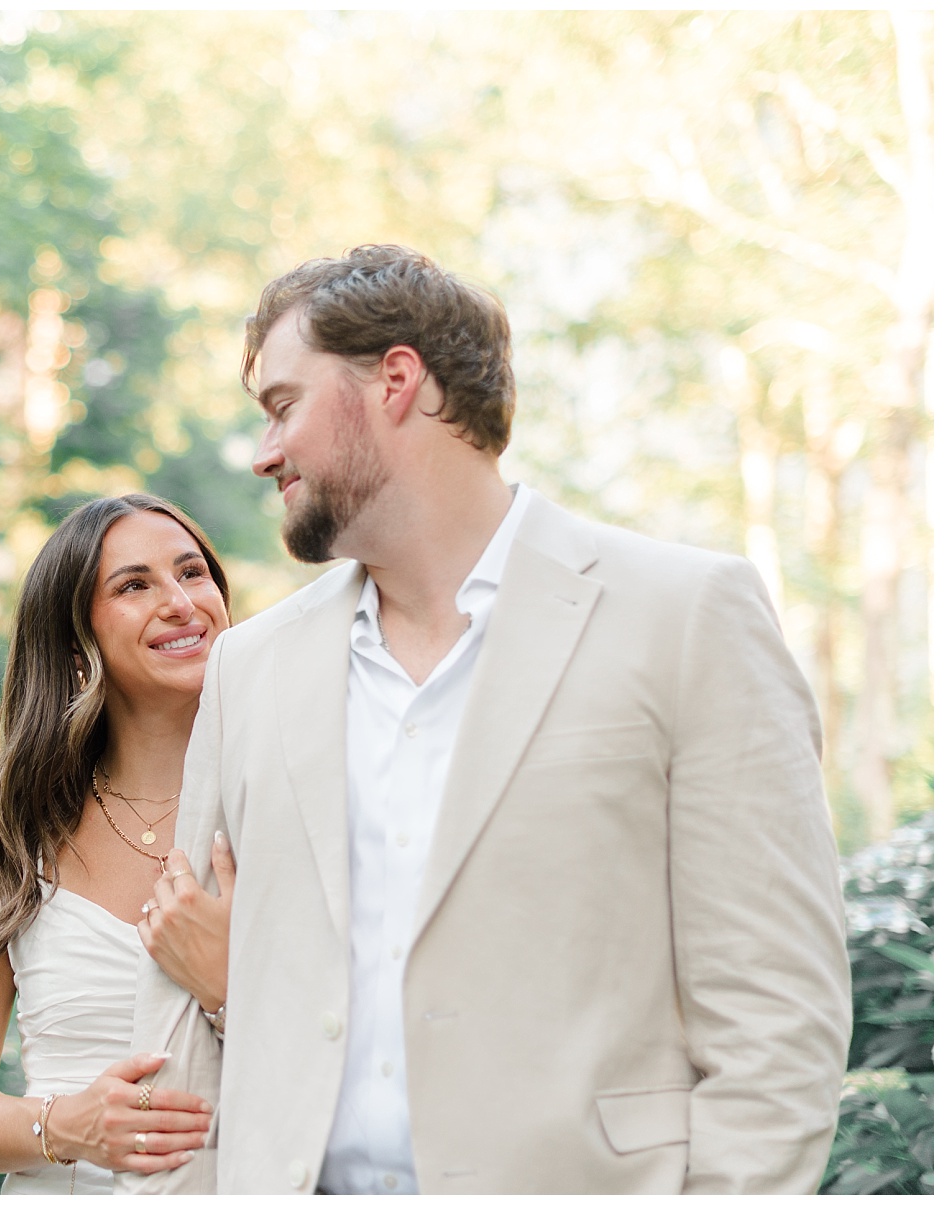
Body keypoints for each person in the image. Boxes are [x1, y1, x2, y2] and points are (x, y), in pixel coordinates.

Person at [121, 246, 852, 1194]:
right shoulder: (249, 667)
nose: (265, 453)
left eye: (283, 406)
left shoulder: (687, 616)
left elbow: (776, 1019)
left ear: (396, 379)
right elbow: (179, 1035)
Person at [0, 493, 235, 1194]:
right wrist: (66, 1125)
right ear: (72, 637)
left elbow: (365, 1060)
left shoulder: (284, 805)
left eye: (193, 572)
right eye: (134, 584)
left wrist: (228, 988)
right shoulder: (3, 835)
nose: (181, 602)